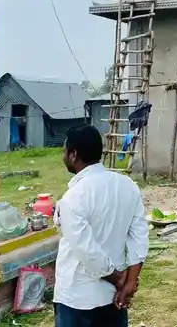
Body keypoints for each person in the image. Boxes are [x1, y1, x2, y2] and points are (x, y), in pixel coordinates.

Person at [53, 124, 148, 326]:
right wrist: (129, 280)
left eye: (64, 151)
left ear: (73, 154)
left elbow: (87, 251)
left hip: (78, 299)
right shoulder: (127, 186)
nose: (63, 157)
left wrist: (120, 280)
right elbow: (139, 236)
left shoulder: (73, 198)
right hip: (112, 298)